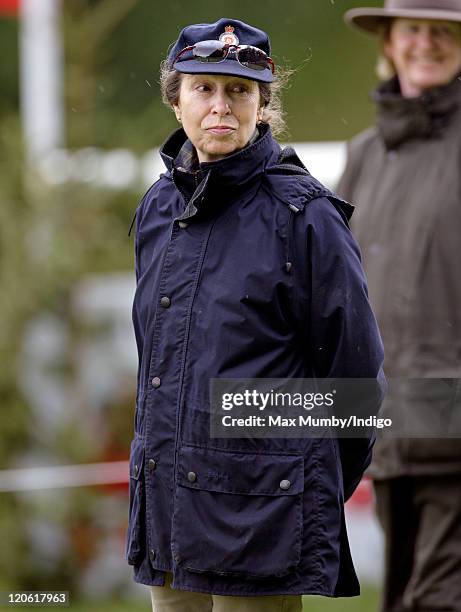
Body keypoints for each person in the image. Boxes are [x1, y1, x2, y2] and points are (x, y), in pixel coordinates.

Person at [127, 17, 384, 611]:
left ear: (263, 104)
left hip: (262, 515)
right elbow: (156, 363)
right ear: (176, 100)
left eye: (239, 90)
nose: (222, 106)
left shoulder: (307, 216)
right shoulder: (157, 208)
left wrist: (306, 484)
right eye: (204, 88)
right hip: (166, 509)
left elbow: (354, 380)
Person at [338, 2, 461, 611]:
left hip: (456, 424)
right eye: (414, 29)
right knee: (404, 597)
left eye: (445, 31)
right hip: (386, 424)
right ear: (388, 41)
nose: (427, 44)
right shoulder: (363, 154)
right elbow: (333, 285)